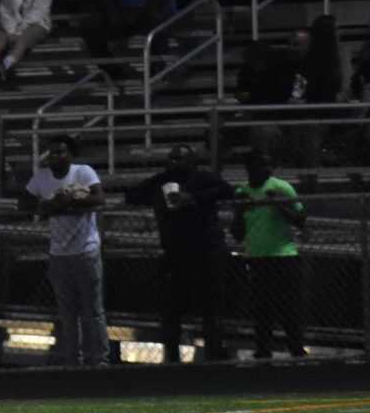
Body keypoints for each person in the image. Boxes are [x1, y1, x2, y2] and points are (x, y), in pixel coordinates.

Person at [126, 145, 232, 363]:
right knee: (171, 309)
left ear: (191, 161)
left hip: (206, 251)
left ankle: (213, 356)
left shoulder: (203, 178)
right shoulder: (162, 181)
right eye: (171, 159)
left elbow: (226, 190)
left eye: (179, 159)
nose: (174, 163)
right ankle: (172, 358)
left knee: (211, 308)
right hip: (175, 253)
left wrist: (192, 198)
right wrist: (158, 199)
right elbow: (133, 195)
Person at [18, 136, 108, 366]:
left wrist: (72, 201)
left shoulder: (82, 171)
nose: (56, 156)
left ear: (71, 154)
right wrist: (50, 204)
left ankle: (98, 358)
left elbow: (99, 198)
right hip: (58, 252)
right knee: (67, 311)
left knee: (92, 309)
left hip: (85, 249)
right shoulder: (42, 177)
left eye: (61, 152)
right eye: (52, 152)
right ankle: (72, 358)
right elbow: (23, 204)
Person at [233, 149, 308, 358]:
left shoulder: (281, 187)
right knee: (261, 308)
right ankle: (263, 351)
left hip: (283, 255)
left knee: (290, 306)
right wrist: (240, 211)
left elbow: (300, 219)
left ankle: (296, 349)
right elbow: (237, 233)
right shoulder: (242, 192)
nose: (267, 170)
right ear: (250, 168)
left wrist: (278, 205)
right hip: (257, 257)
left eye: (269, 165)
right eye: (261, 165)